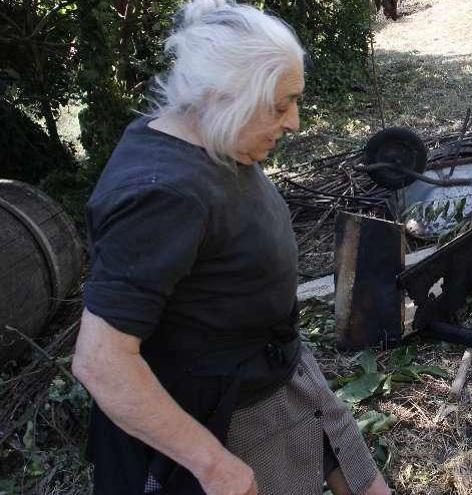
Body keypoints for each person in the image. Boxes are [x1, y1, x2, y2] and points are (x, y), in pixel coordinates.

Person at [71, 1, 392, 494]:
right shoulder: (163, 195)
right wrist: (212, 464)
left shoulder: (215, 137)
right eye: (280, 104)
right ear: (221, 94)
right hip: (225, 414)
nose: (294, 123)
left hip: (284, 374)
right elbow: (101, 361)